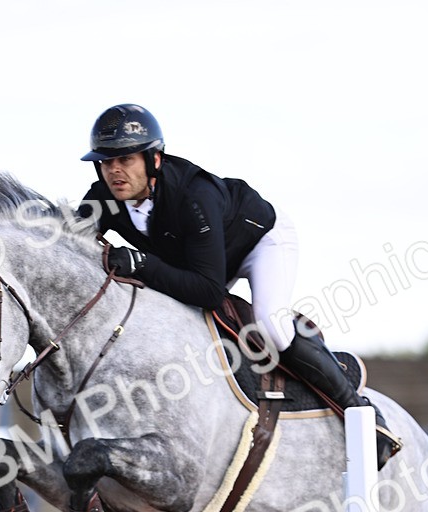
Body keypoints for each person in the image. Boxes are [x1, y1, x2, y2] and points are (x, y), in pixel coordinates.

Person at [78, 103, 401, 467]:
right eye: (106, 162)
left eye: (126, 159)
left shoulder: (193, 197)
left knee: (272, 326)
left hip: (260, 242)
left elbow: (210, 291)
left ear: (154, 159)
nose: (115, 171)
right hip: (198, 260)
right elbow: (68, 243)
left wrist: (142, 263)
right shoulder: (101, 196)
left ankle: (362, 414)